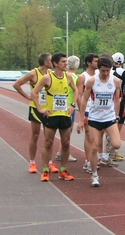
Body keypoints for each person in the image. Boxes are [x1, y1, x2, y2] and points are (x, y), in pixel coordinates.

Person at [31, 52, 78, 182]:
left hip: (64, 115)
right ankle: (45, 170)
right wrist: (40, 109)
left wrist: (72, 105)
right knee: (48, 142)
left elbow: (76, 90)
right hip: (51, 115)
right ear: (55, 63)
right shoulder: (47, 78)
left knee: (66, 143)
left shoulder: (68, 77)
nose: (66, 64)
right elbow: (34, 93)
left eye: (66, 62)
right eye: (63, 62)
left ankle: (63, 170)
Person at [77, 57, 121, 187]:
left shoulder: (116, 81)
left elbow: (117, 100)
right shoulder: (91, 81)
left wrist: (117, 116)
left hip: (109, 117)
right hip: (95, 118)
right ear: (99, 69)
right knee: (95, 146)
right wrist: (82, 118)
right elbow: (84, 100)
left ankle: (102, 158)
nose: (105, 73)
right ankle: (95, 175)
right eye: (103, 71)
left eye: (108, 71)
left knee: (117, 144)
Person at [13, 53, 59, 174]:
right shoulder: (33, 73)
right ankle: (32, 162)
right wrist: (27, 97)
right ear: (46, 63)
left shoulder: (51, 74)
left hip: (48, 109)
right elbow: (16, 84)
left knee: (49, 138)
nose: (53, 62)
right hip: (36, 108)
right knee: (35, 135)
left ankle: (49, 162)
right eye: (51, 60)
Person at [101, 52, 125, 163]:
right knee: (116, 128)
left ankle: (106, 152)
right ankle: (111, 152)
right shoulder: (124, 72)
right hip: (121, 102)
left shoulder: (106, 73)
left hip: (109, 101)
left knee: (106, 128)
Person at [76, 53, 99, 173]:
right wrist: (82, 113)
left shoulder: (101, 75)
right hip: (88, 109)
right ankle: (88, 160)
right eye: (95, 61)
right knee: (89, 135)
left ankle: (94, 158)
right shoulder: (83, 77)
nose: (97, 63)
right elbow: (79, 96)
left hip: (99, 110)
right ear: (89, 63)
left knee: (97, 137)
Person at [55, 55, 80, 162]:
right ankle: (65, 153)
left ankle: (60, 152)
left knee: (64, 132)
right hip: (69, 106)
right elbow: (77, 94)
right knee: (67, 132)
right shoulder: (74, 78)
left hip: (60, 105)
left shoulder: (65, 75)